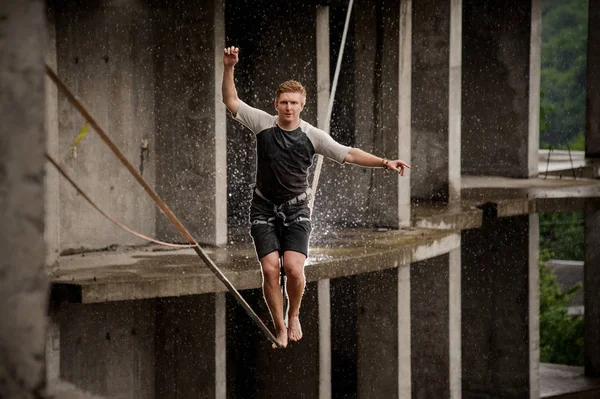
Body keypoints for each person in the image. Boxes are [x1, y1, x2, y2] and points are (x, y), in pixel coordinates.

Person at [222, 46, 410, 349]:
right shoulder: (262, 123)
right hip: (263, 208)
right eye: (283, 102)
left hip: (297, 210)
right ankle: (280, 326)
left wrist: (385, 162)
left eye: (294, 103)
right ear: (276, 104)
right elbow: (230, 101)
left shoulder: (312, 135)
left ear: (302, 105)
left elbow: (348, 153)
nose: (288, 107)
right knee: (270, 268)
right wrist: (229, 67)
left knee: (294, 269)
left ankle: (294, 314)